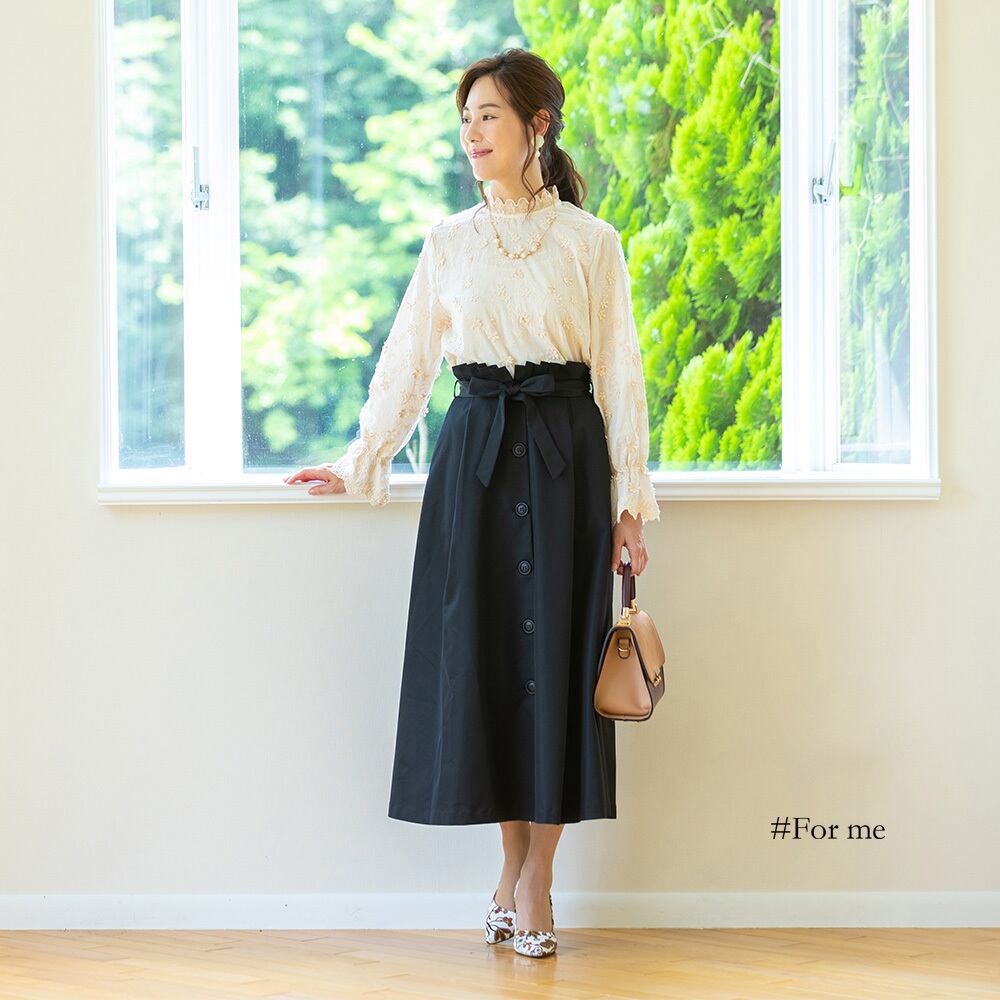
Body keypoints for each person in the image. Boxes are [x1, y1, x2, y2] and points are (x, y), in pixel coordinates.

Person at [283, 48, 660, 958]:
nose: (471, 133)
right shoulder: (447, 242)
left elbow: (621, 374)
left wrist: (630, 506)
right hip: (477, 466)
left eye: (488, 115)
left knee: (558, 672)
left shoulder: (592, 242)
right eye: (465, 119)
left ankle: (537, 883)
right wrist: (361, 459)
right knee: (491, 667)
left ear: (537, 125)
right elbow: (409, 360)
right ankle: (510, 870)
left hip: (567, 465)